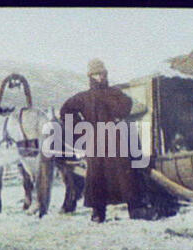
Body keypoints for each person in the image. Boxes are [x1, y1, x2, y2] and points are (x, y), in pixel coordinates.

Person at [60, 59, 158, 223]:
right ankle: (98, 212)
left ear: (106, 74)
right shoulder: (83, 97)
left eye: (102, 74)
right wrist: (82, 131)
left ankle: (135, 209)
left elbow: (126, 107)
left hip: (116, 139)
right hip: (96, 141)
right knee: (96, 177)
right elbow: (66, 111)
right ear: (90, 76)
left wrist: (111, 103)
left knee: (126, 174)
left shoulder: (114, 92)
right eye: (96, 74)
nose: (100, 77)